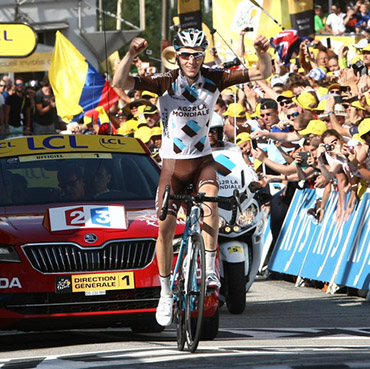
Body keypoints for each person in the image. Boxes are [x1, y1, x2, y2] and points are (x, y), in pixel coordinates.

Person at [113, 28, 271, 327]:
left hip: (202, 163)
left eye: (197, 55)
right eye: (185, 55)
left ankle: (211, 268)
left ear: (203, 56)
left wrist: (261, 51)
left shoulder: (215, 77)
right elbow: (120, 82)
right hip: (173, 168)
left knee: (211, 203)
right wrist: (130, 55)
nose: (191, 61)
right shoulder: (164, 82)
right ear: (177, 55)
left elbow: (263, 71)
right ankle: (164, 291)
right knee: (164, 228)